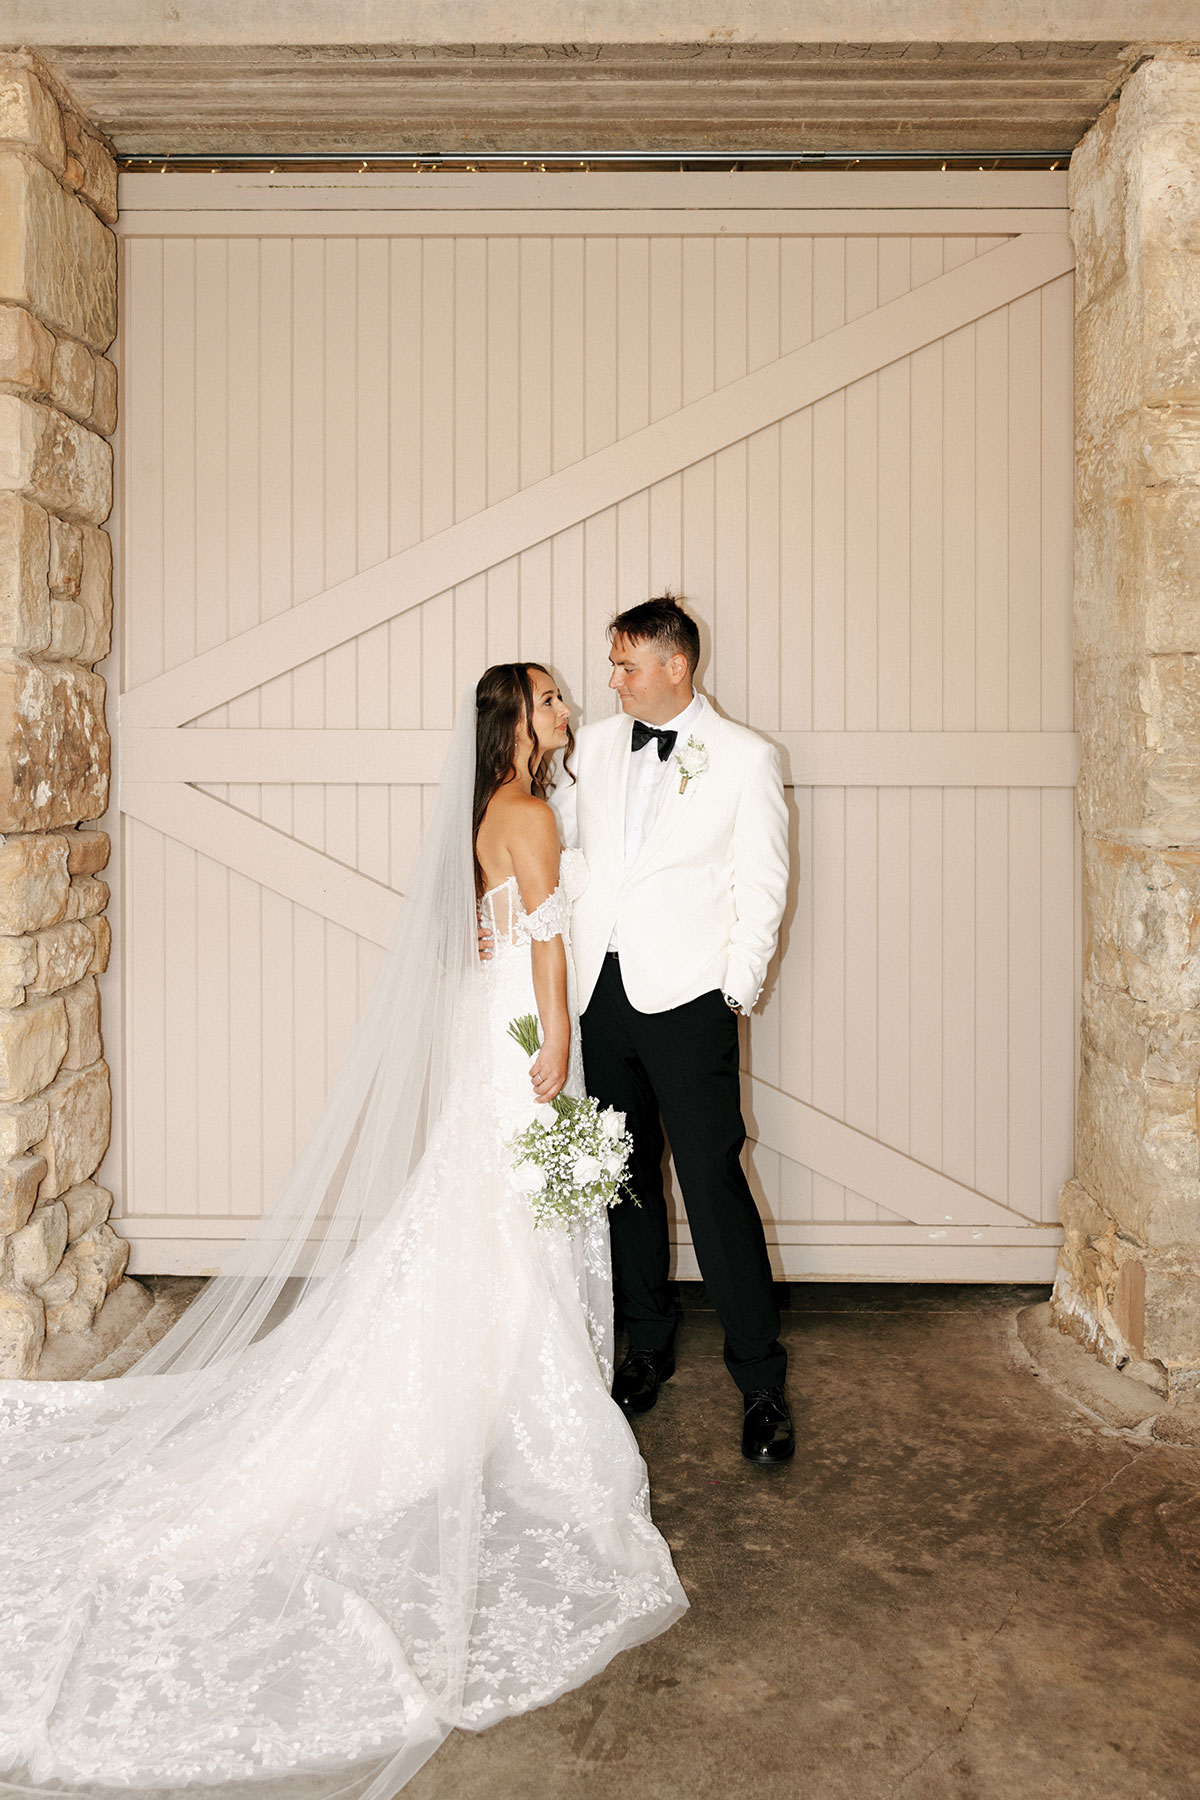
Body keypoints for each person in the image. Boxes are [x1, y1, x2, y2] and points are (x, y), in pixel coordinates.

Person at [0, 665, 685, 1800]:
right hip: (525, 1034)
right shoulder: (532, 811)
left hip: (488, 1023)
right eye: (553, 700)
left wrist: (516, 1012)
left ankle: (495, 1388)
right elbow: (548, 947)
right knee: (512, 1222)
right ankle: (522, 1408)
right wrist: (556, 1045)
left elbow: (484, 935)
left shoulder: (487, 813)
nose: (568, 710)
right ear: (518, 723)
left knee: (489, 1215)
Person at [553, 598, 794, 1464]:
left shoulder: (745, 758)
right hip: (601, 996)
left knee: (711, 1183)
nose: (611, 682)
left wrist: (734, 991)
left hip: (691, 1001)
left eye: (625, 666)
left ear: (675, 666)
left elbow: (761, 883)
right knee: (623, 1181)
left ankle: (761, 1381)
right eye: (614, 665)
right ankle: (646, 1346)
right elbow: (577, 858)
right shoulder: (596, 752)